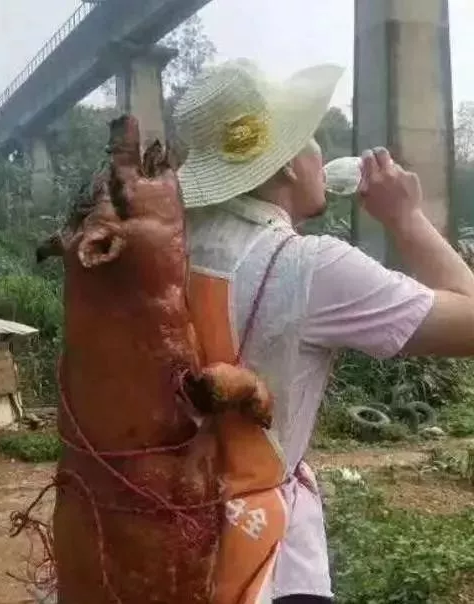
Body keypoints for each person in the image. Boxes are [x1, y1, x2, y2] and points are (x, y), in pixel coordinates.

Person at [173, 60, 474, 604]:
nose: (320, 152)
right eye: (311, 139)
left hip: (155, 527)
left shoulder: (163, 247)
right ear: (289, 165)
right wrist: (406, 217)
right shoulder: (312, 268)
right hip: (261, 558)